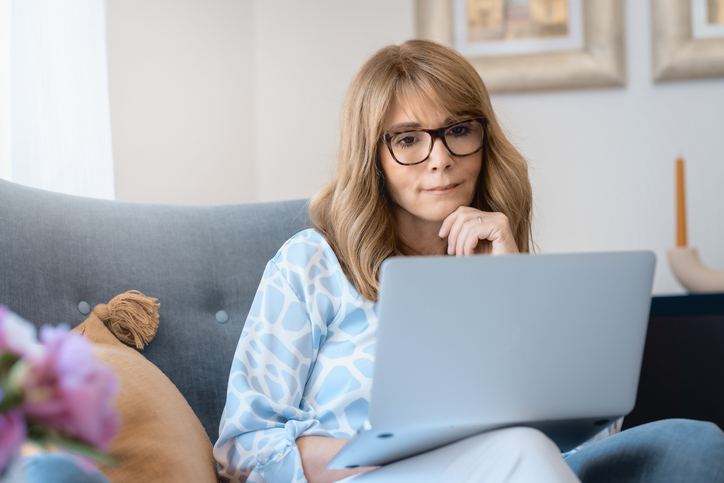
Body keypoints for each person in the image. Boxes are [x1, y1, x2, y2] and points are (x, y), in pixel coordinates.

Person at [214, 40, 724, 483]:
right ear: (373, 156)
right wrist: (396, 452)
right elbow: (243, 451)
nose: (440, 158)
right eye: (408, 139)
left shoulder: (504, 261)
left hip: (521, 470)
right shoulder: (311, 264)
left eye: (458, 129)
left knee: (697, 443)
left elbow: (588, 444)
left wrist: (515, 285)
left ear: (482, 140)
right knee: (516, 450)